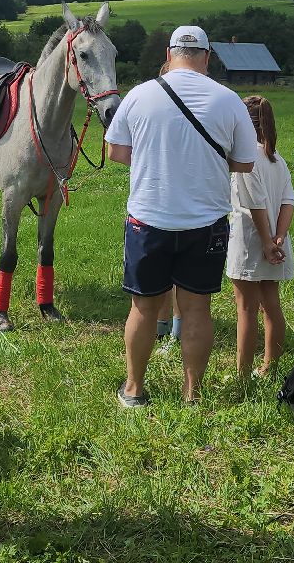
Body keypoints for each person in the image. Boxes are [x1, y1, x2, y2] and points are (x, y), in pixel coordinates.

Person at [104, 25, 259, 407]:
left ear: (169, 55)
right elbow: (244, 161)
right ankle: (192, 394)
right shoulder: (229, 99)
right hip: (206, 224)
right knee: (196, 309)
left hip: (148, 219)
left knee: (142, 306)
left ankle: (134, 390)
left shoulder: (139, 95)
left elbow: (116, 154)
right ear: (207, 57)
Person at [228, 95, 294, 385]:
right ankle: (270, 366)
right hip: (275, 241)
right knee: (272, 305)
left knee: (246, 308)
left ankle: (242, 376)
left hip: (250, 241)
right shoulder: (276, 159)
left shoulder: (247, 158)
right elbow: (288, 202)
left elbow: (255, 203)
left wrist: (266, 242)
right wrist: (279, 237)